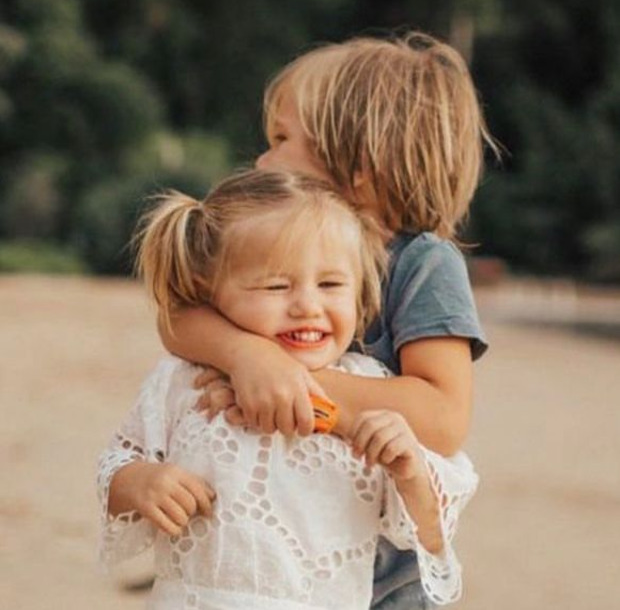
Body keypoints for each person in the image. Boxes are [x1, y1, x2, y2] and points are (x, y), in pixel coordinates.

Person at [155, 31, 496, 609]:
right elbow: (178, 317)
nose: (262, 160)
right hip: (274, 558)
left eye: (281, 139)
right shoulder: (268, 243)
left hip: (379, 579)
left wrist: (301, 386)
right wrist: (248, 356)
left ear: (357, 166)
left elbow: (442, 416)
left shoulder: (422, 265)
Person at [98, 169, 478, 609]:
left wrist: (409, 472)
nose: (308, 306)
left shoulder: (373, 390)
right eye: (277, 286)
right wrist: (140, 483)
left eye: (331, 284)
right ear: (210, 292)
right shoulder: (189, 380)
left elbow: (429, 533)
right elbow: (115, 466)